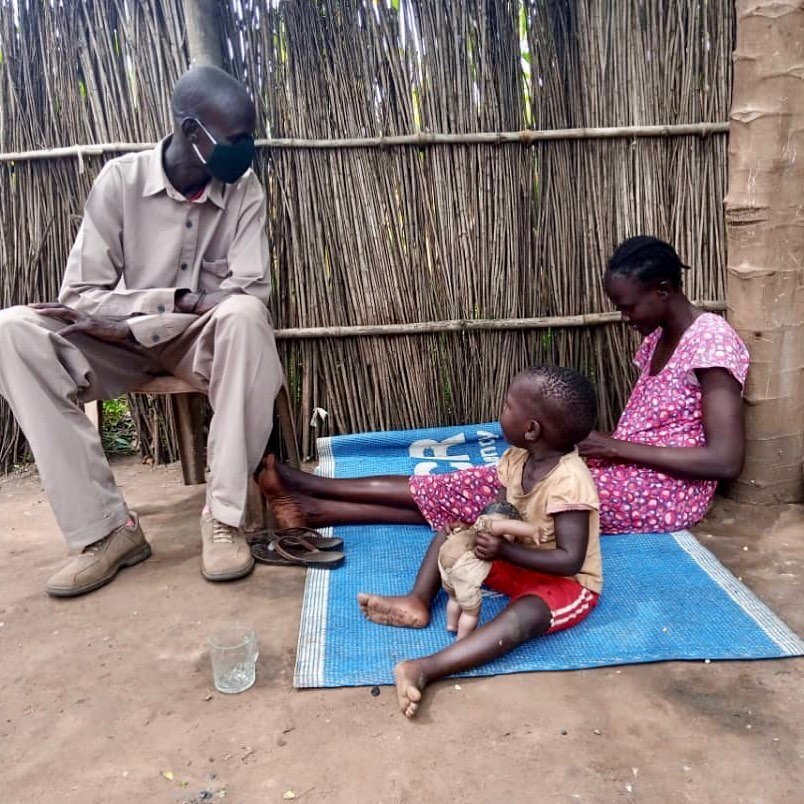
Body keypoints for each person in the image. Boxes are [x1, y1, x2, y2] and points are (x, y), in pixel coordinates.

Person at [0, 66, 284, 596]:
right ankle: (107, 533)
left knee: (245, 319)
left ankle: (222, 518)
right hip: (118, 343)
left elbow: (248, 295)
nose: (247, 149)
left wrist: (142, 317)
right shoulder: (120, 182)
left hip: (198, 341)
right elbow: (80, 296)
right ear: (191, 131)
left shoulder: (244, 191)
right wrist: (180, 301)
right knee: (11, 331)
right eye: (237, 138)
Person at [257, 236, 749, 535]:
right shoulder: (663, 336)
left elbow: (725, 461)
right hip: (630, 473)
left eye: (628, 307)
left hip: (664, 495)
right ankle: (322, 507)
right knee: (494, 493)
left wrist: (615, 450)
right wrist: (608, 452)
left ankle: (315, 491)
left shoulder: (711, 342)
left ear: (664, 291)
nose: (624, 318)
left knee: (492, 488)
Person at [366, 365, 602, 718]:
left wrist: (504, 549)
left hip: (566, 583)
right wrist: (479, 532)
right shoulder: (516, 459)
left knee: (523, 617)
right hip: (520, 560)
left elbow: (569, 559)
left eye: (508, 406)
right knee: (451, 535)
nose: (501, 411)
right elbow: (502, 513)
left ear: (532, 428)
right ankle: (418, 601)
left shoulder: (570, 481)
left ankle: (426, 667)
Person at [439, 502, 543, 639]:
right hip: (462, 565)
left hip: (444, 559)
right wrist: (533, 531)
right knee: (470, 611)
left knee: (454, 597)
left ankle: (451, 624)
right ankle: (462, 639)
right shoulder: (492, 526)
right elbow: (510, 526)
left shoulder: (478, 524)